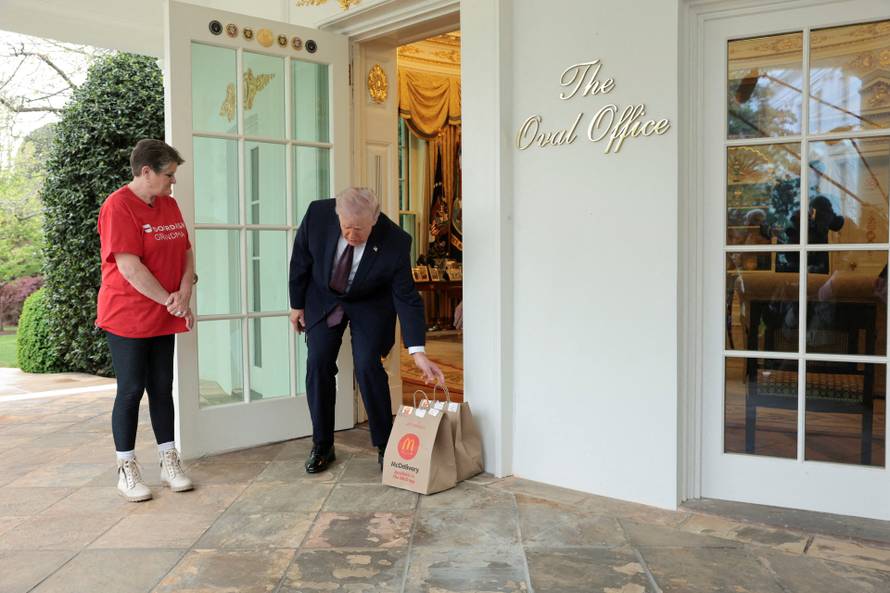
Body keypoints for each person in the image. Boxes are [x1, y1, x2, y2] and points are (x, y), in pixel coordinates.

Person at [289, 187, 446, 473]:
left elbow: (406, 297)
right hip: (324, 298)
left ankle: (387, 444)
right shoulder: (317, 214)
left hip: (370, 303)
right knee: (318, 362)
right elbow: (301, 259)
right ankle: (322, 444)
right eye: (346, 227)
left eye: (359, 230)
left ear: (375, 219)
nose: (351, 235)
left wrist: (418, 351)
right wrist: (297, 305)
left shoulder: (396, 241)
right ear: (337, 215)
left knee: (366, 366)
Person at [96, 139, 195, 502]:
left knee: (161, 387)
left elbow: (185, 251)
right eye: (169, 175)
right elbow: (129, 268)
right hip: (127, 316)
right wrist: (174, 303)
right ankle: (126, 468)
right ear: (146, 172)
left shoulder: (168, 204)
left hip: (164, 312)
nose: (173, 183)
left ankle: (170, 460)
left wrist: (184, 294)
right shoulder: (118, 207)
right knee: (131, 389)